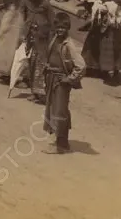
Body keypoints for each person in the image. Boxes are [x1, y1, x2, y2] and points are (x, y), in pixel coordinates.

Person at [43, 13, 85, 154]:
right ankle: (61, 141)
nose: (60, 30)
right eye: (58, 27)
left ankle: (59, 144)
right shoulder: (54, 39)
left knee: (60, 111)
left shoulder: (69, 45)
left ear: (68, 28)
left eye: (63, 28)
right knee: (53, 109)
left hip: (61, 81)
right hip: (51, 78)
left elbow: (81, 65)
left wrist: (70, 79)